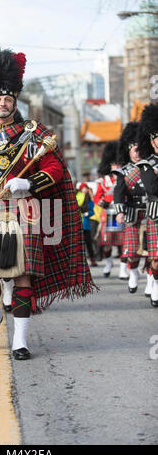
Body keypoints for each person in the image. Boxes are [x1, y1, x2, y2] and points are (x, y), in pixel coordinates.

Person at [0, 48, 96, 360]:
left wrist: (28, 183)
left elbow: (56, 169)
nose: (3, 103)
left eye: (8, 99)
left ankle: (20, 339)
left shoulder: (34, 133)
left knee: (23, 275)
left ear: (15, 101)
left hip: (26, 212)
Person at [114, 122, 149, 295]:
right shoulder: (124, 172)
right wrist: (120, 211)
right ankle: (133, 273)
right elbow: (119, 193)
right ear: (128, 151)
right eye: (134, 149)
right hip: (133, 214)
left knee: (153, 252)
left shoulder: (152, 167)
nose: (137, 153)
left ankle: (152, 282)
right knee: (133, 252)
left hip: (152, 213)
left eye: (140, 149)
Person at [136, 104, 158, 307]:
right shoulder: (146, 164)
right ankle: (155, 282)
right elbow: (153, 188)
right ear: (152, 141)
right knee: (156, 258)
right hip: (156, 213)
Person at [94, 141, 126, 278]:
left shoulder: (126, 178)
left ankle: (124, 269)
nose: (116, 166)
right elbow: (97, 198)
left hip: (122, 213)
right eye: (114, 164)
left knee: (124, 243)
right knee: (107, 243)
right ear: (110, 165)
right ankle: (108, 263)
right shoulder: (104, 181)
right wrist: (102, 202)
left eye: (118, 164)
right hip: (107, 215)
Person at [76, 182, 97, 267]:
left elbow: (92, 211)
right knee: (78, 244)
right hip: (77, 223)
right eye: (83, 188)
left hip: (86, 224)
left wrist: (88, 213)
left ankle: (92, 259)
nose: (85, 190)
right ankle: (79, 261)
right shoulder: (77, 196)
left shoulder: (89, 200)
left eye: (86, 188)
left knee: (88, 243)